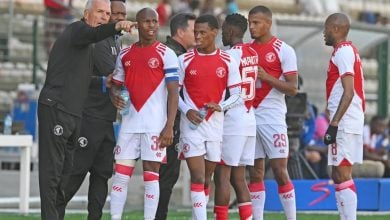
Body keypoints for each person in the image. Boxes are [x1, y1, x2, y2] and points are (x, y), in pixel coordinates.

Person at [37, 0, 135, 218]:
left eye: (107, 13)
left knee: (65, 174)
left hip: (74, 112)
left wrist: (104, 83)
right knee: (53, 173)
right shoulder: (78, 30)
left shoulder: (90, 42)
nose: (104, 16)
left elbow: (82, 76)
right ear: (86, 13)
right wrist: (117, 26)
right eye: (100, 12)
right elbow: (92, 35)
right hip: (57, 108)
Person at [109, 8, 179, 220]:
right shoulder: (125, 54)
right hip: (129, 124)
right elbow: (116, 86)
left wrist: (169, 126)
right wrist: (113, 95)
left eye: (154, 21)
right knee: (121, 175)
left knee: (151, 176)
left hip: (155, 126)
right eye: (147, 22)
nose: (152, 26)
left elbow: (174, 93)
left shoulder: (166, 53)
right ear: (137, 25)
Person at [177, 14, 242, 219]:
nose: (198, 36)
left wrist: (220, 106)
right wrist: (187, 110)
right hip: (191, 125)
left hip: (215, 126)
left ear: (215, 32)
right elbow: (172, 94)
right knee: (196, 176)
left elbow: (238, 94)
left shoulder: (228, 60)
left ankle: (199, 214)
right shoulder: (184, 60)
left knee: (206, 178)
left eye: (203, 33)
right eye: (196, 32)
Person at [248, 5, 298, 220]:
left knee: (279, 169)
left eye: (256, 22)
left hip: (273, 116)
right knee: (255, 171)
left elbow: (293, 88)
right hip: (250, 115)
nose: (251, 27)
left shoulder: (283, 49)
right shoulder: (246, 50)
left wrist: (266, 77)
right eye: (250, 22)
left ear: (268, 23)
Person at [213, 13, 257, 220]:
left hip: (233, 118)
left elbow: (224, 88)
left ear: (231, 31)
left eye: (223, 31)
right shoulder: (252, 52)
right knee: (239, 178)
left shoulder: (229, 55)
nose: (221, 35)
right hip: (250, 117)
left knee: (222, 174)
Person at [322, 12, 365, 220]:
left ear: (336, 29)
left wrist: (335, 123)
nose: (324, 32)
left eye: (326, 28)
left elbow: (349, 91)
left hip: (345, 121)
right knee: (337, 173)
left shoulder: (343, 52)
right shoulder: (346, 51)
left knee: (342, 173)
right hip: (348, 119)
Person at [155, 12, 196, 220]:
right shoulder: (174, 55)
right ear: (180, 32)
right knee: (165, 176)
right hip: (167, 125)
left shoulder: (169, 51)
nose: (197, 33)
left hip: (164, 122)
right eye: (193, 29)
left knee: (162, 177)